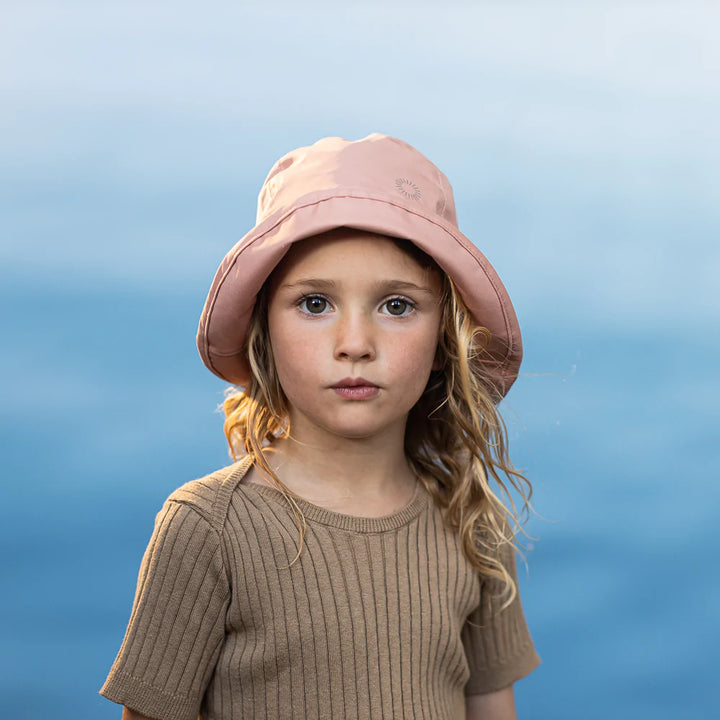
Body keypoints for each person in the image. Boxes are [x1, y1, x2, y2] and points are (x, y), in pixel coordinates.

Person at [100, 133, 541, 720]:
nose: (354, 345)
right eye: (314, 304)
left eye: (397, 306)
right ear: (265, 331)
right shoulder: (209, 528)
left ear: (446, 338)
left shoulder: (473, 524)